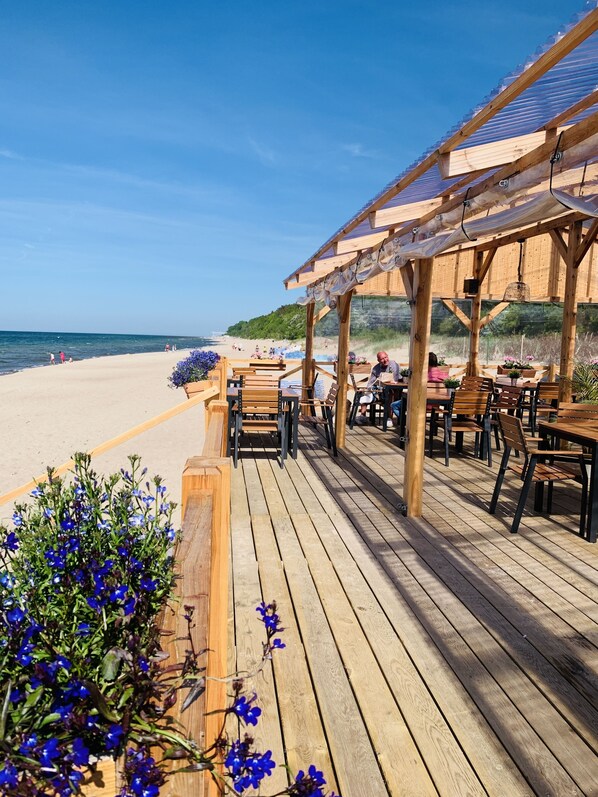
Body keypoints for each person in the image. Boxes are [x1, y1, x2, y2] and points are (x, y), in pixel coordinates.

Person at [390, 352, 444, 419]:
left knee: (394, 405)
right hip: (436, 404)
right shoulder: (445, 376)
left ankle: (406, 421)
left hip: (420, 403)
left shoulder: (423, 377)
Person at [357, 351, 400, 422]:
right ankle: (363, 416)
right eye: (382, 359)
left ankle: (389, 418)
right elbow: (370, 383)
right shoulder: (376, 369)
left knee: (390, 393)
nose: (385, 360)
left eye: (386, 357)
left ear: (388, 356)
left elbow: (397, 379)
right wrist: (368, 390)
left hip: (393, 390)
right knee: (365, 392)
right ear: (378, 360)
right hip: (378, 391)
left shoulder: (394, 364)